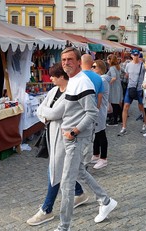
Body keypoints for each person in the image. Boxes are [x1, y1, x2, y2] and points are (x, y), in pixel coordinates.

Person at [56, 47, 117, 230]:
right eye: (64, 59)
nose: (66, 63)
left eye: (70, 59)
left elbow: (91, 113)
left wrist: (73, 131)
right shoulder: (73, 80)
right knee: (80, 171)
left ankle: (63, 226)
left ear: (78, 62)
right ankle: (105, 200)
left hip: (76, 138)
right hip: (70, 137)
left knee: (67, 183)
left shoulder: (83, 82)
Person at [26, 63, 88, 226]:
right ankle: (80, 192)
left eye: (53, 75)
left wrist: (47, 114)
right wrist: (48, 115)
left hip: (64, 137)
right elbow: (41, 109)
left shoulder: (71, 92)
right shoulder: (54, 90)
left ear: (62, 77)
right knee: (60, 169)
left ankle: (47, 209)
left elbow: (54, 112)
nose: (50, 78)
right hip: (52, 135)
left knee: (54, 170)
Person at [118, 49, 146, 136]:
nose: (136, 56)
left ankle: (145, 124)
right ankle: (124, 127)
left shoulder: (142, 66)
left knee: (142, 107)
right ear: (131, 56)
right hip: (130, 88)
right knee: (126, 106)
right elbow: (127, 75)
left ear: (139, 55)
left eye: (137, 55)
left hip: (139, 89)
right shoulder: (128, 65)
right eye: (134, 55)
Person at [90, 59, 110, 169]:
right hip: (99, 108)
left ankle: (103, 158)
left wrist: (96, 109)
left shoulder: (102, 80)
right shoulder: (100, 79)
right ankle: (96, 154)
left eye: (94, 67)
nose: (92, 68)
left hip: (100, 109)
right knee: (97, 132)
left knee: (101, 132)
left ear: (100, 69)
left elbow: (99, 96)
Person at [106, 55, 123, 125]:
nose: (107, 61)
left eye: (107, 59)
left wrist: (108, 84)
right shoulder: (117, 67)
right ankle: (121, 118)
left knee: (114, 104)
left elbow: (114, 78)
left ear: (110, 60)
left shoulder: (112, 68)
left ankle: (115, 120)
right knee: (116, 103)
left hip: (114, 87)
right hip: (118, 87)